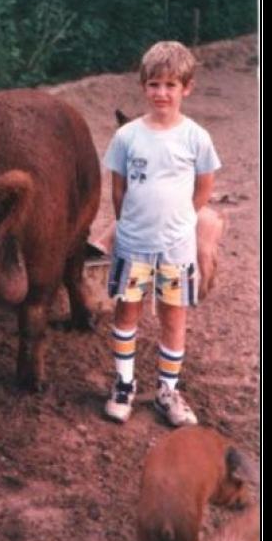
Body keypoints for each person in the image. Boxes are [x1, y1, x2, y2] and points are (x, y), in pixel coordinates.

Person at [103, 41, 221, 426]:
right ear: (143, 86)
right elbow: (119, 190)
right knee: (127, 311)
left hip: (176, 247)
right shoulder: (128, 138)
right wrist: (128, 226)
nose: (162, 93)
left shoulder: (196, 138)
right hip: (134, 244)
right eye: (154, 84)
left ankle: (167, 391)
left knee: (173, 316)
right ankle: (124, 384)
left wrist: (184, 219)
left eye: (171, 85)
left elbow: (203, 187)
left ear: (186, 88)